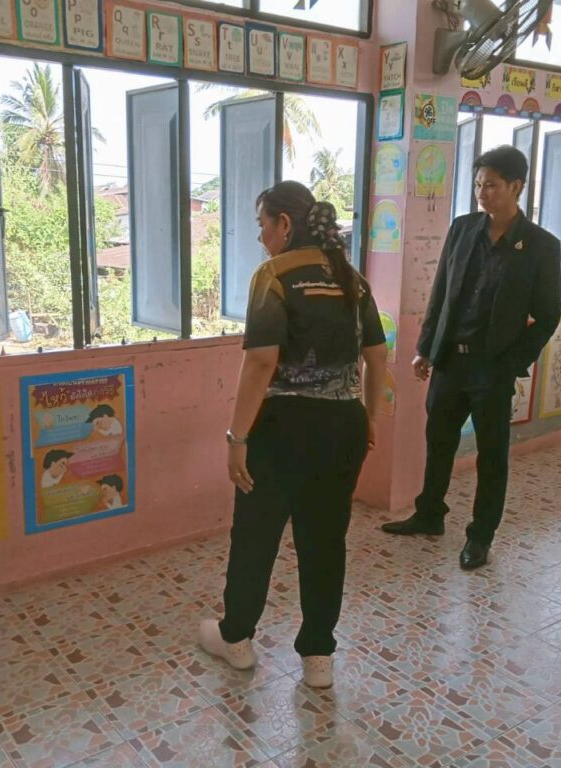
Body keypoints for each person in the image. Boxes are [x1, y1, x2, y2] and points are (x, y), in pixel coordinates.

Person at [198, 181, 387, 689]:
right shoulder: (351, 277)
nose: (260, 236)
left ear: (284, 224)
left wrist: (237, 437)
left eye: (262, 224)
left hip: (282, 429)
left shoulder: (274, 275)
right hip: (344, 426)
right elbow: (377, 356)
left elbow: (262, 362)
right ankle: (319, 655)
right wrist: (369, 416)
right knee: (325, 540)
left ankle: (237, 640)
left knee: (256, 535)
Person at [381, 145, 561, 570]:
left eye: (492, 185)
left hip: (492, 368)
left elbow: (548, 316)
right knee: (439, 442)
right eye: (479, 184)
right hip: (450, 361)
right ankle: (429, 514)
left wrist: (511, 361)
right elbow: (441, 292)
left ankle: (480, 536)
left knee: (491, 456)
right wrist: (426, 348)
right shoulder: (463, 229)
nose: (483, 193)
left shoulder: (540, 245)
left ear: (516, 186)